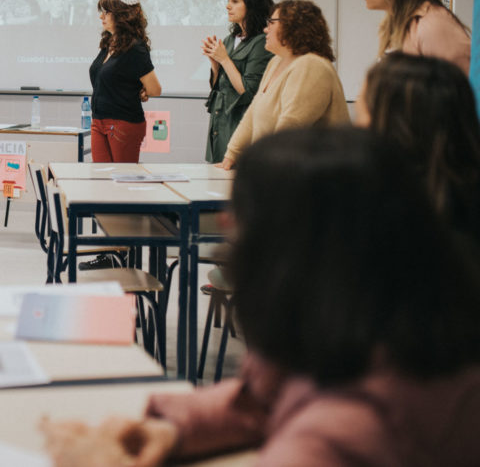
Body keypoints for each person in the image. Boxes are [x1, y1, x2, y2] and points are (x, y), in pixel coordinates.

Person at [42, 127, 480, 467]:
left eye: (245, 224)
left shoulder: (340, 438)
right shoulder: (384, 341)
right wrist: (174, 430)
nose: (229, 236)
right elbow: (262, 399)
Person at [358, 52, 480, 245]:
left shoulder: (383, 224)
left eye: (361, 117)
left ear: (398, 128)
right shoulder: (464, 206)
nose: (355, 130)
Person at [219, 0, 348, 170]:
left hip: (317, 179)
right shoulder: (276, 62)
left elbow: (289, 128)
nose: (266, 29)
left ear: (292, 26)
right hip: (280, 170)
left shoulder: (311, 65)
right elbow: (252, 114)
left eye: (271, 23)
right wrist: (231, 156)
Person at [202, 0, 273, 163]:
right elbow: (217, 86)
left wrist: (225, 60)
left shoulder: (261, 42)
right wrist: (215, 64)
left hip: (239, 124)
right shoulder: (228, 39)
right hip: (220, 120)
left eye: (234, 1)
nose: (227, 6)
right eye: (228, 0)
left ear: (251, 5)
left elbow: (248, 90)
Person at [89, 0, 162, 164]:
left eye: (106, 12)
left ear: (121, 15)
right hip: (98, 120)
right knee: (101, 179)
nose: (101, 16)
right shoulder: (109, 44)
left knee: (122, 181)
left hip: (122, 122)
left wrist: (140, 91)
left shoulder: (135, 48)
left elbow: (154, 89)